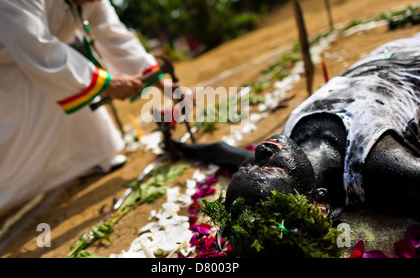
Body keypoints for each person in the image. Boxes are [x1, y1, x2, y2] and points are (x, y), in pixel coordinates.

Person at [0, 0, 184, 221]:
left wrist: (161, 82)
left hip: (26, 54)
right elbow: (34, 43)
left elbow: (110, 31)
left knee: (64, 82)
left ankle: (82, 161)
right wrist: (107, 83)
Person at [173, 33, 420, 222]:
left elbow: (222, 151)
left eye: (248, 166)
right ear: (318, 202)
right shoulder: (374, 163)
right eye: (272, 170)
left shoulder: (287, 153)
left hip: (379, 55)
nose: (259, 154)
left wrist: (178, 147)